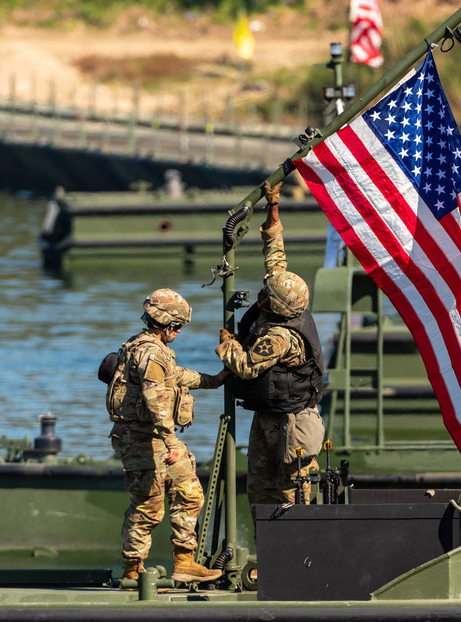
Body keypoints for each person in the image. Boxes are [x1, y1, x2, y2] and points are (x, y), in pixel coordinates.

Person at [217, 180, 325, 526]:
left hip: (290, 424)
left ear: (278, 306)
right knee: (261, 490)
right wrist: (273, 207)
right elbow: (275, 256)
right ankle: (267, 554)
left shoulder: (280, 336)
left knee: (293, 493)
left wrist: (227, 344)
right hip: (268, 414)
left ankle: (299, 556)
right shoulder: (285, 299)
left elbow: (246, 367)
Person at [106, 288, 228, 585]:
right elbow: (156, 398)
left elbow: (174, 376)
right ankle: (133, 570)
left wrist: (214, 380)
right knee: (148, 507)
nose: (178, 332)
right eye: (178, 327)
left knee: (190, 493)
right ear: (168, 325)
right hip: (144, 439)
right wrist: (172, 441)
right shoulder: (151, 353)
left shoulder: (147, 348)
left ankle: (185, 562)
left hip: (153, 439)